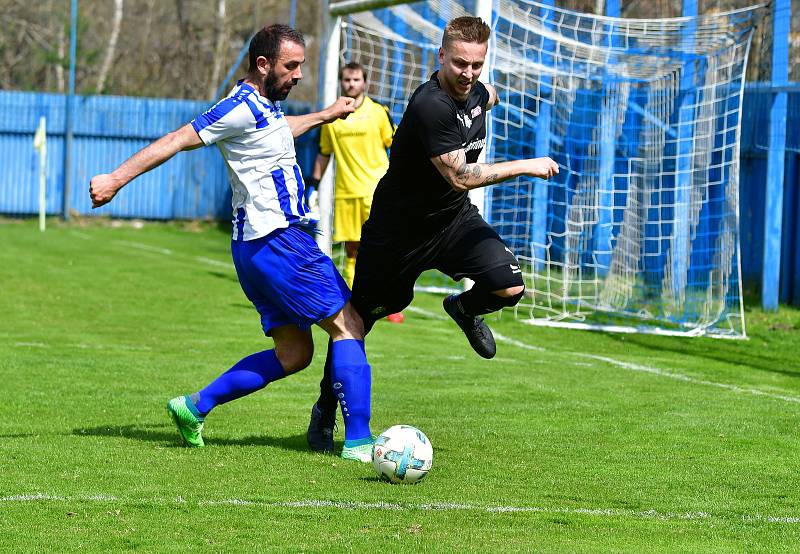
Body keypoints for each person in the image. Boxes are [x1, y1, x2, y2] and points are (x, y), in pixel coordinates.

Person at [89, 24, 376, 463]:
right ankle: (360, 443)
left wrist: (323, 115)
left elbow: (278, 132)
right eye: (291, 66)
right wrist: (115, 178)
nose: (299, 74)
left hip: (255, 248)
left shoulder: (263, 106)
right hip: (280, 241)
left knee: (294, 353)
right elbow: (176, 140)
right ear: (263, 65)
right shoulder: (238, 106)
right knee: (349, 324)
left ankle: (193, 407)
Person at [307, 16, 559, 452]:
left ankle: (463, 309)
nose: (469, 74)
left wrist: (497, 90)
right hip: (397, 234)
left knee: (509, 285)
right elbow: (460, 176)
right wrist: (525, 165)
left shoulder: (477, 91)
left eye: (477, 65)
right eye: (460, 63)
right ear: (441, 56)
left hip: (452, 222)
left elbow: (486, 98)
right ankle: (325, 409)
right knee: (355, 324)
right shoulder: (431, 105)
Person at [308, 61, 403, 323]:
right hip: (346, 192)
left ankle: (390, 303)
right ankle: (358, 301)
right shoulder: (332, 118)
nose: (351, 84)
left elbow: (396, 147)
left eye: (356, 80)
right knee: (352, 250)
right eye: (347, 80)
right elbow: (324, 153)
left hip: (377, 191)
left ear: (365, 83)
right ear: (341, 82)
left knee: (384, 248)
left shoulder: (377, 112)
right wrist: (313, 185)